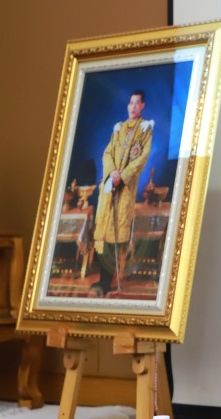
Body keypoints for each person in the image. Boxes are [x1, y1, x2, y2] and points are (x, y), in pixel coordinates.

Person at [92, 90, 154, 294]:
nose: (133, 106)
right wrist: (112, 173)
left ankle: (107, 281)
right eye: (130, 103)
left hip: (125, 189)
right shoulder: (119, 128)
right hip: (111, 185)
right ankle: (102, 279)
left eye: (137, 103)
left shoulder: (145, 129)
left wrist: (123, 175)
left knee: (115, 236)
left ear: (142, 106)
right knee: (103, 233)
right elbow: (107, 152)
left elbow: (142, 158)